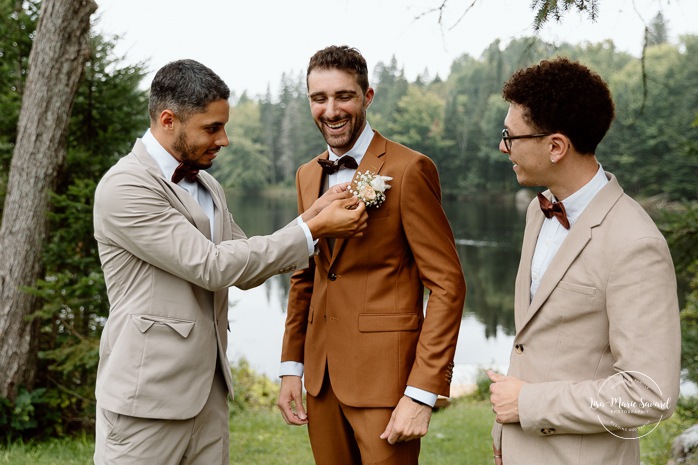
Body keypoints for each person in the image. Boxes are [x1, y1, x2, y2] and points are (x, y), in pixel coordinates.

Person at [92, 59, 368, 465]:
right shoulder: (125, 186)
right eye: (211, 128)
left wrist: (312, 216)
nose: (224, 140)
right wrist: (315, 230)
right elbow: (212, 266)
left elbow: (243, 263)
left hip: (209, 395)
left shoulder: (207, 184)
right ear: (169, 120)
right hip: (145, 399)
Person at [276, 45, 466, 465]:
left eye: (343, 96)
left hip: (387, 382)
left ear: (367, 96)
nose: (331, 110)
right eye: (318, 99)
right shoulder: (308, 175)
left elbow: (448, 285)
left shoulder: (410, 169)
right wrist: (292, 365)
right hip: (321, 381)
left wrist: (421, 391)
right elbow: (304, 277)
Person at [488, 57, 681, 464]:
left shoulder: (636, 242)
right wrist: (505, 435)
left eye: (510, 136)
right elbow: (534, 348)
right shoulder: (536, 214)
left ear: (556, 146)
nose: (502, 146)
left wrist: (528, 403)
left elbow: (650, 393)